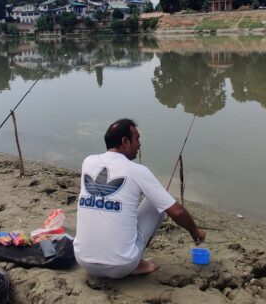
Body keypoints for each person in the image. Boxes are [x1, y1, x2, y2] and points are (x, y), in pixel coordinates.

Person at [74, 118, 206, 278]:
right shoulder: (137, 171)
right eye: (137, 139)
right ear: (125, 141)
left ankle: (124, 256)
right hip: (121, 266)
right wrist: (195, 232)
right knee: (156, 204)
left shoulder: (88, 162)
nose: (139, 144)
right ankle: (137, 264)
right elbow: (177, 212)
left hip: (84, 261)